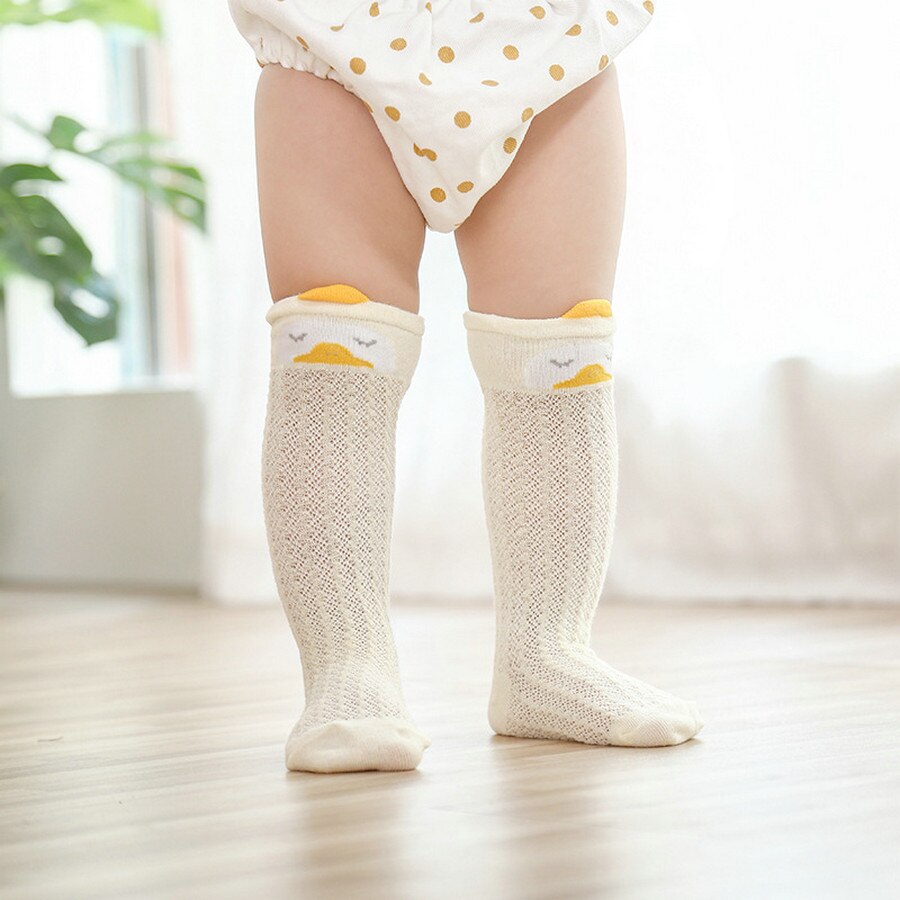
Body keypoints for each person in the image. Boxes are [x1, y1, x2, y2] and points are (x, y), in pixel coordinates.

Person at [228, 0, 704, 773]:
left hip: (547, 30)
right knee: (336, 339)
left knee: (562, 343)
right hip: (334, 26)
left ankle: (546, 657)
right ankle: (349, 668)